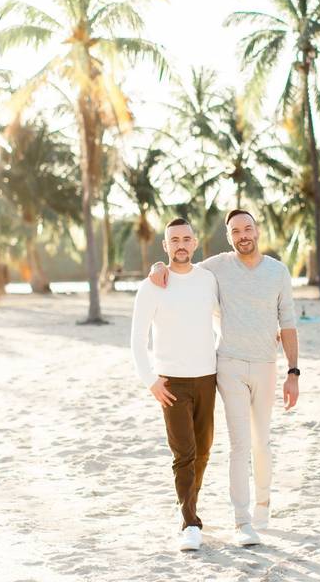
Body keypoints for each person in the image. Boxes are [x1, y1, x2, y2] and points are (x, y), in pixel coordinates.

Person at [150, 209, 299, 547]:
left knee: (262, 442)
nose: (243, 235)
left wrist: (293, 371)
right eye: (236, 231)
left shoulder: (278, 272)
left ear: (257, 231)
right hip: (228, 365)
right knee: (239, 444)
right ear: (229, 236)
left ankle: (263, 505)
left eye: (248, 229)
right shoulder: (216, 267)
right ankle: (242, 520)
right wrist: (157, 267)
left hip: (265, 365)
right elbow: (181, 267)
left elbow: (287, 322)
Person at [131, 218, 220, 552]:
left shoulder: (208, 280)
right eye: (174, 240)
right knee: (184, 453)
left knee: (204, 450)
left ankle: (189, 504)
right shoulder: (152, 285)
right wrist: (150, 381)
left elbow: (221, 317)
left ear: (195, 243)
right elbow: (137, 340)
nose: (180, 245)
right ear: (165, 247)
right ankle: (190, 522)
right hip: (171, 382)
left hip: (207, 377)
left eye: (186, 239)